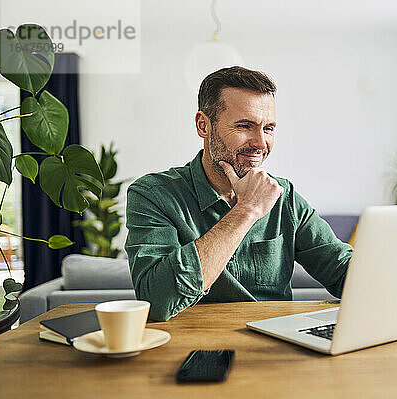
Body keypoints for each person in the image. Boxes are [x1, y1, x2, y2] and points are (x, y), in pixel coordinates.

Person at [125, 66, 352, 321]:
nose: (261, 143)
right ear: (203, 125)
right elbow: (156, 301)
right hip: (192, 347)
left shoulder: (284, 197)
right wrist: (247, 211)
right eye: (245, 126)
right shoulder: (152, 195)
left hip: (274, 347)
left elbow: (341, 269)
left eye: (269, 128)